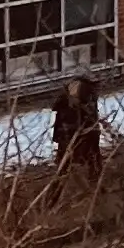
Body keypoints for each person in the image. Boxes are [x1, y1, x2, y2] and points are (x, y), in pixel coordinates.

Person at [49, 76, 105, 210]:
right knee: (65, 168)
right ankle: (52, 200)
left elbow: (91, 117)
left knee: (92, 164)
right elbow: (64, 124)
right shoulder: (72, 100)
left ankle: (96, 192)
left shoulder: (86, 95)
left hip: (83, 135)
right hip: (73, 137)